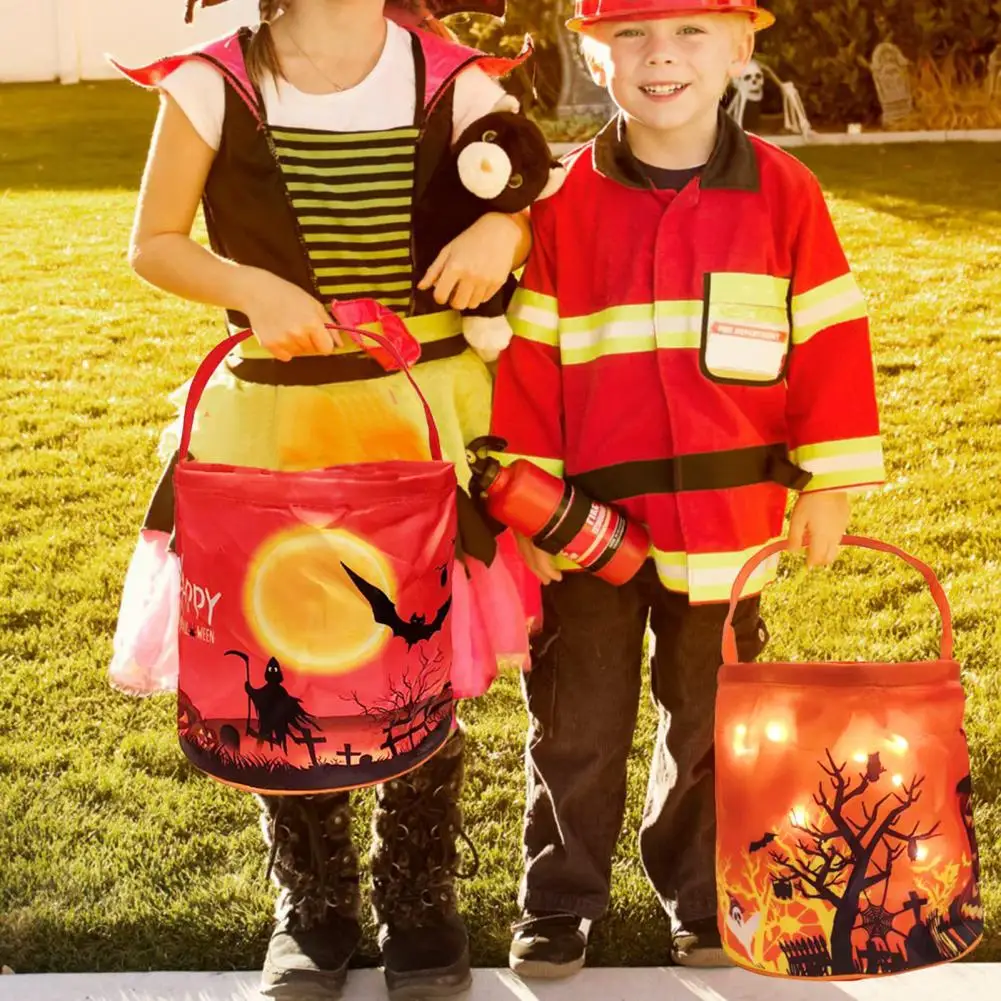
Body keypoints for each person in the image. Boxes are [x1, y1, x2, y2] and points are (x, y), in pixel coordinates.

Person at [110, 1, 537, 997]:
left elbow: (526, 194)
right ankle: (314, 903)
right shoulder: (214, 80)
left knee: (409, 651)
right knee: (285, 655)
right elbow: (155, 242)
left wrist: (504, 229)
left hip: (419, 412)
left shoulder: (450, 76)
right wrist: (253, 288)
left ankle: (419, 893)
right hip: (276, 417)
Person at [491, 0, 886, 976]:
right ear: (594, 53)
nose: (658, 57)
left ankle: (701, 893)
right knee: (576, 722)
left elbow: (830, 343)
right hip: (588, 526)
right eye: (629, 35)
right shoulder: (563, 207)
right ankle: (558, 896)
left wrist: (826, 482)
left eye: (688, 35)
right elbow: (531, 359)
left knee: (707, 718)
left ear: (740, 51)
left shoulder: (785, 194)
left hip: (729, 523)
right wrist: (530, 497)